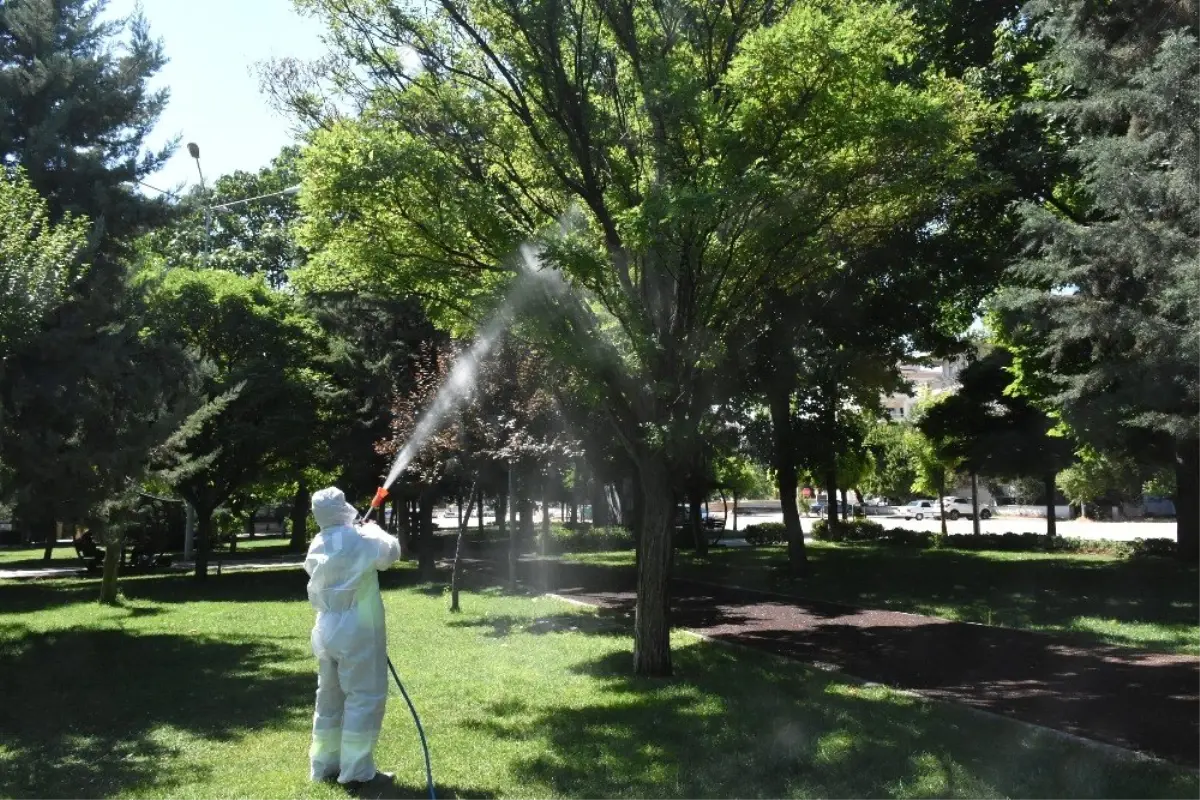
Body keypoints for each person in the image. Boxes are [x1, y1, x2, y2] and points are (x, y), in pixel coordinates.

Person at [304, 486, 402, 787]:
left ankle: (323, 765)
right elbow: (392, 553)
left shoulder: (318, 542)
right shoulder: (362, 538)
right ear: (342, 507)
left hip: (325, 629)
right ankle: (357, 771)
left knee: (329, 698)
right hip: (358, 630)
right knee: (364, 697)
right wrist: (375, 529)